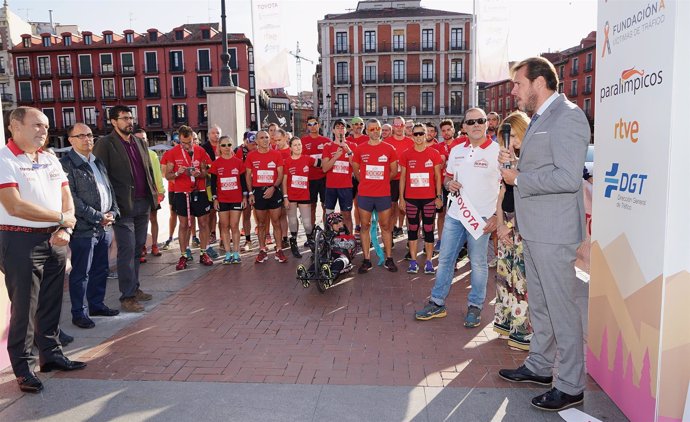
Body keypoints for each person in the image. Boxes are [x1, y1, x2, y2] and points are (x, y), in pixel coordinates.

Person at [497, 57, 590, 412]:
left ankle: (570, 385)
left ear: (539, 82)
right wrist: (515, 168)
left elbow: (568, 178)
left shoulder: (568, 116)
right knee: (541, 304)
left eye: (518, 84)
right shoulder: (540, 119)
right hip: (534, 229)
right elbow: (543, 169)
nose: (514, 91)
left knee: (561, 307)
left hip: (554, 232)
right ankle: (539, 366)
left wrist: (518, 178)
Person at [0, 107, 86, 394]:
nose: (43, 131)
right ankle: (23, 369)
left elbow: (67, 199)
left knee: (50, 302)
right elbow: (15, 205)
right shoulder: (4, 159)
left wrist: (65, 229)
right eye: (36, 125)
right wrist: (61, 219)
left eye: (46, 127)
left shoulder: (50, 158)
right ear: (15, 126)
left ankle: (51, 355)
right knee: (24, 307)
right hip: (19, 241)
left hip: (56, 239)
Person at [414, 108, 500, 328]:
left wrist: (496, 216)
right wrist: (448, 184)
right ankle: (437, 302)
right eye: (471, 122)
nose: (476, 125)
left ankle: (475, 306)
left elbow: (505, 188)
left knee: (478, 263)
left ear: (486, 124)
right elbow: (447, 177)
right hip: (455, 214)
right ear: (464, 127)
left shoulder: (497, 151)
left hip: (480, 218)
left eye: (480, 120)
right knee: (445, 260)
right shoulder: (456, 150)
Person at [93, 105, 158, 313]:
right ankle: (127, 296)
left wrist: (153, 198)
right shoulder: (105, 144)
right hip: (122, 207)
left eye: (131, 117)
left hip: (143, 203)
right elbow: (101, 177)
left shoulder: (139, 142)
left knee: (138, 248)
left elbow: (147, 172)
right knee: (127, 249)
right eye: (124, 118)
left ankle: (134, 288)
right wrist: (110, 207)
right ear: (113, 121)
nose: (129, 121)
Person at [61, 123, 120, 329]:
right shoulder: (67, 164)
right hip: (84, 229)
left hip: (104, 228)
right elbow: (72, 199)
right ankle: (79, 312)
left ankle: (96, 304)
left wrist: (113, 211)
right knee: (81, 273)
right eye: (81, 136)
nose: (87, 139)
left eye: (90, 135)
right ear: (71, 140)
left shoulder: (97, 162)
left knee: (100, 269)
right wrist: (98, 216)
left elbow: (108, 189)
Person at [492, 111, 532, 351]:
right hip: (506, 225)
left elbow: (529, 199)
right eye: (507, 139)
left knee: (521, 281)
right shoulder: (509, 162)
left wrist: (509, 225)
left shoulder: (532, 161)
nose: (511, 143)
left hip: (523, 227)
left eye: (515, 137)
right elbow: (502, 194)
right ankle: (506, 324)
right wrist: (499, 224)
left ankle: (522, 332)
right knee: (506, 279)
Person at [163, 125, 214, 271]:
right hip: (181, 193)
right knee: (184, 224)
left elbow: (207, 170)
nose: (187, 146)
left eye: (190, 142)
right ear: (179, 140)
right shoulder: (172, 153)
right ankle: (183, 255)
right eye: (183, 143)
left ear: (193, 138)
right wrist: (178, 173)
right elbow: (167, 175)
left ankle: (204, 253)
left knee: (204, 223)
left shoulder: (200, 150)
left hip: (200, 191)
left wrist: (200, 173)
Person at [351, 118, 399, 273]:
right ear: (367, 131)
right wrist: (364, 181)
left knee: (385, 226)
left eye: (377, 128)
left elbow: (393, 171)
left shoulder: (389, 148)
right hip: (365, 194)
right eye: (371, 129)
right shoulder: (360, 149)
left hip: (383, 194)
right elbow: (356, 170)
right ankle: (366, 260)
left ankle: (389, 259)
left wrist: (383, 181)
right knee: (364, 226)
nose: (375, 131)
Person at [398, 123, 443, 275]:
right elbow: (402, 177)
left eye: (421, 134)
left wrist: (438, 196)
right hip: (411, 198)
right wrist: (401, 198)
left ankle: (429, 261)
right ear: (412, 136)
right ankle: (413, 261)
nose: (418, 137)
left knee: (429, 229)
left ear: (426, 135)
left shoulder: (434, 153)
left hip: (429, 198)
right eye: (415, 134)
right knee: (412, 229)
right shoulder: (406, 154)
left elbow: (437, 177)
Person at [246, 130, 287, 263]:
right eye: (262, 138)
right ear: (256, 141)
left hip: (274, 190)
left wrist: (273, 187)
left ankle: (279, 249)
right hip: (258, 192)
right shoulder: (251, 156)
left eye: (267, 137)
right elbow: (248, 176)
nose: (264, 140)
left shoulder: (276, 154)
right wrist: (251, 193)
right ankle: (262, 250)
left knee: (276, 222)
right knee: (261, 224)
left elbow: (280, 174)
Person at [209, 135, 246, 264]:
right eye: (223, 145)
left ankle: (236, 253)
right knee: (224, 226)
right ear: (219, 147)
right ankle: (227, 253)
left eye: (229, 145)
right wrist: (215, 199)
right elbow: (213, 184)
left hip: (236, 199)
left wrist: (245, 196)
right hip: (222, 199)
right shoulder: (216, 164)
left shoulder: (238, 162)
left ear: (232, 146)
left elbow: (243, 182)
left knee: (234, 226)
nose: (226, 148)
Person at [297, 211, 356, 288]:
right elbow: (320, 247)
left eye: (340, 221)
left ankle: (330, 276)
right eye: (335, 223)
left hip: (342, 256)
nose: (338, 224)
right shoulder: (326, 237)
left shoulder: (348, 236)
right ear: (330, 226)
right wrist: (314, 244)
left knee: (340, 260)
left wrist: (335, 243)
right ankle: (307, 275)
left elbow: (352, 244)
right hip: (328, 257)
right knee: (319, 261)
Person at [282, 136, 317, 258]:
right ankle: (294, 243)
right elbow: (284, 180)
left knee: (307, 223)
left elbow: (322, 163)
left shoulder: (307, 159)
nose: (298, 147)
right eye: (295, 145)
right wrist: (285, 197)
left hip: (304, 195)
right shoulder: (286, 161)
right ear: (290, 147)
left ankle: (311, 241)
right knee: (292, 220)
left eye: (300, 144)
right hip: (291, 196)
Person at [322, 119, 356, 233]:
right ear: (333, 130)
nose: (340, 130)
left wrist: (349, 151)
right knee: (328, 214)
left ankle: (349, 240)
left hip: (346, 186)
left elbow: (356, 167)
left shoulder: (352, 146)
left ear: (346, 130)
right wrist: (335, 156)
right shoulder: (328, 146)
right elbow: (325, 168)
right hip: (331, 187)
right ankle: (328, 239)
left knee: (346, 215)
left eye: (343, 127)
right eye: (338, 127)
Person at [135, 129, 164, 260]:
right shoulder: (131, 155)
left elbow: (158, 173)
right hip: (138, 195)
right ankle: (141, 247)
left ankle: (154, 245)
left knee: (154, 219)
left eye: (144, 138)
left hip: (152, 193)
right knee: (141, 222)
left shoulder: (152, 154)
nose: (143, 141)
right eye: (139, 138)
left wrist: (161, 190)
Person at [385, 116, 415, 239]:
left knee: (409, 210)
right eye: (396, 125)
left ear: (404, 126)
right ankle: (390, 235)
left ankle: (411, 239)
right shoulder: (387, 143)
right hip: (392, 180)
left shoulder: (411, 142)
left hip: (407, 180)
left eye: (401, 125)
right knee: (391, 209)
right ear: (393, 127)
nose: (398, 128)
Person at [300, 116, 330, 234]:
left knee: (325, 206)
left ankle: (327, 232)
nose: (312, 126)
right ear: (307, 126)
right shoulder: (303, 141)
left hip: (324, 178)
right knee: (311, 207)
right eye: (310, 124)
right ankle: (311, 233)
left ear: (319, 125)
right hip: (309, 179)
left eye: (315, 123)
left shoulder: (326, 141)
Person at [235, 131, 258, 252]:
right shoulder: (240, 151)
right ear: (246, 142)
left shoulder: (260, 150)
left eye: (256, 144)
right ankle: (248, 240)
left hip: (259, 185)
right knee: (246, 214)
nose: (254, 146)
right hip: (245, 185)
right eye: (252, 144)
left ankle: (264, 237)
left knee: (261, 214)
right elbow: (240, 172)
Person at [202, 124, 222, 250]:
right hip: (209, 183)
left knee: (224, 211)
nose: (216, 135)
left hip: (224, 183)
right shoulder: (203, 148)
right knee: (211, 211)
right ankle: (212, 233)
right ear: (209, 135)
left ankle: (223, 237)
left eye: (218, 133)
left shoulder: (225, 146)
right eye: (213, 133)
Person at [160, 133, 179, 251]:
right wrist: (174, 178)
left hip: (188, 188)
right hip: (173, 189)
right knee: (173, 214)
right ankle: (171, 237)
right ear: (173, 142)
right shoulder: (168, 154)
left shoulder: (188, 152)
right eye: (176, 141)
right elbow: (163, 172)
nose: (178, 143)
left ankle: (193, 237)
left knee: (190, 215)